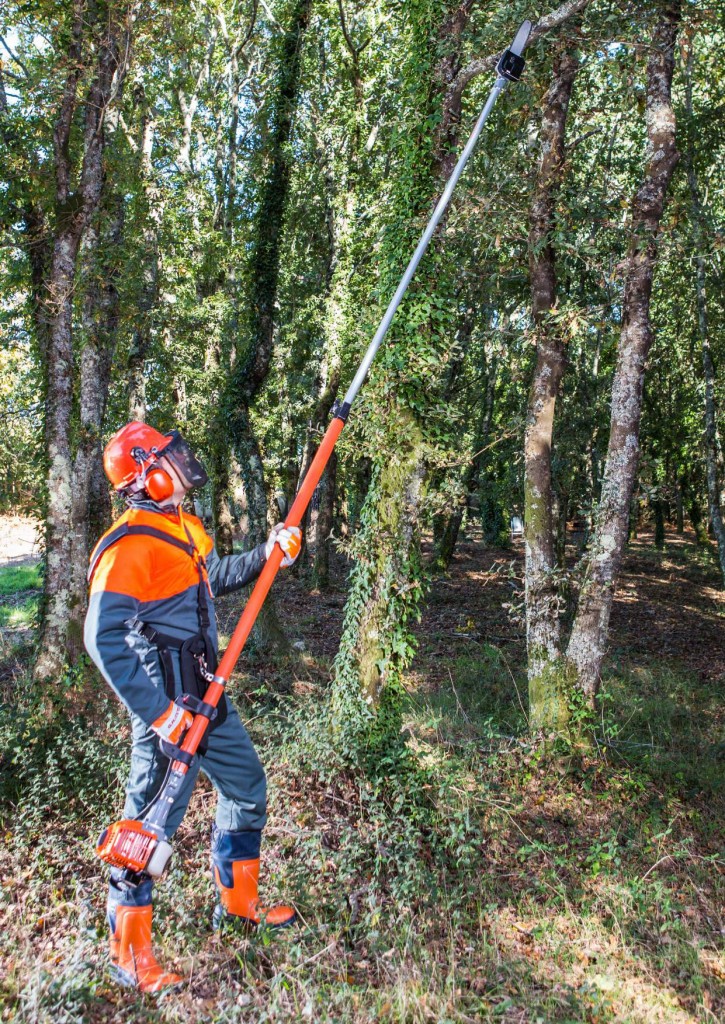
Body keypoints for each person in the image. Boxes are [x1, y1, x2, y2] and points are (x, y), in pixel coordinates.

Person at [84, 421, 302, 992]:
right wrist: (160, 714)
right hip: (169, 706)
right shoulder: (129, 543)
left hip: (209, 691)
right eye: (168, 455)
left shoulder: (183, 530)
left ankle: (238, 908)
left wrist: (267, 552)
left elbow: (211, 580)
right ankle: (129, 959)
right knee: (147, 828)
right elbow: (103, 637)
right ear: (146, 475)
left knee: (246, 785)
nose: (183, 461)